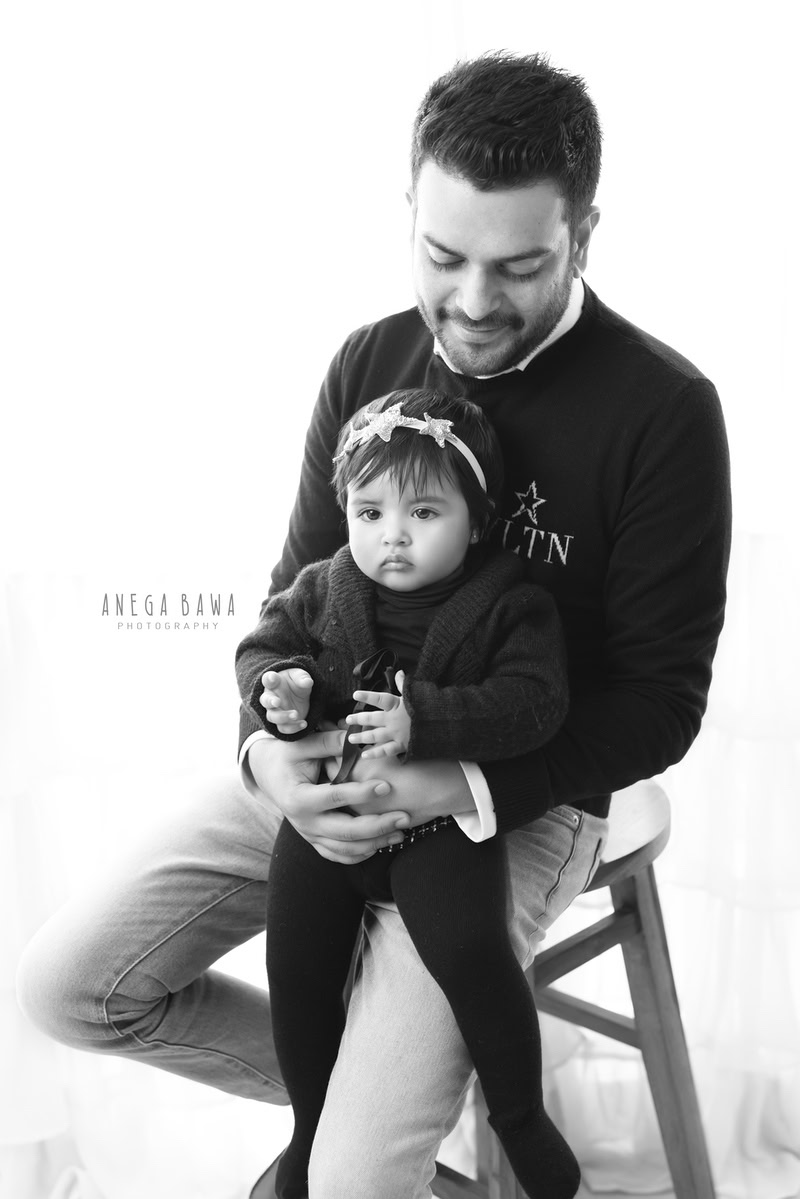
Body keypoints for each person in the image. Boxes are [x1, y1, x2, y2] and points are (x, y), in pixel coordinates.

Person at [16, 50, 731, 1199]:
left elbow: (659, 703)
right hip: (334, 747)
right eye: (443, 256)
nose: (473, 301)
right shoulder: (367, 360)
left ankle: (372, 1128)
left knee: (346, 1181)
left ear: (583, 234)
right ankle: (360, 1100)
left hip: (525, 787)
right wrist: (268, 756)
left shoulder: (662, 410)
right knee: (69, 988)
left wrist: (460, 781)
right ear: (408, 212)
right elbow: (290, 599)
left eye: (518, 265)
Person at [240, 387, 577, 1199]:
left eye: (424, 512)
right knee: (296, 965)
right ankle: (310, 1125)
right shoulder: (324, 586)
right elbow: (263, 645)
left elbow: (536, 703)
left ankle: (521, 1116)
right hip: (332, 817)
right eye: (369, 512)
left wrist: (426, 718)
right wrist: (278, 690)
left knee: (471, 955)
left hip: (434, 828)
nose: (392, 534)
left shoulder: (512, 604)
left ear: (477, 519)